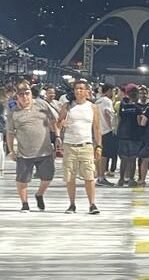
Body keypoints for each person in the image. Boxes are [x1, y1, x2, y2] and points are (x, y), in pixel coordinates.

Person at [7, 82, 59, 212]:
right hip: (25, 153)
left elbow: (53, 120)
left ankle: (39, 194)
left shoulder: (41, 104)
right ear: (17, 97)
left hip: (45, 150)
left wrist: (57, 136)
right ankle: (24, 203)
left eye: (27, 93)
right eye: (21, 94)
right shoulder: (14, 113)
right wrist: (11, 150)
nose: (25, 97)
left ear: (31, 94)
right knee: (22, 180)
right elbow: (10, 133)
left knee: (48, 177)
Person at [58, 80, 101, 214]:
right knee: (70, 177)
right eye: (76, 89)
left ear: (87, 91)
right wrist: (61, 126)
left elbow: (97, 128)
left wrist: (98, 146)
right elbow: (57, 124)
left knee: (89, 176)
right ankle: (72, 204)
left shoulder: (92, 107)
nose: (79, 91)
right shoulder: (68, 106)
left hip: (86, 145)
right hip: (70, 145)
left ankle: (92, 204)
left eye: (82, 89)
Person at [117, 84, 142, 187]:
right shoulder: (137, 108)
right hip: (134, 135)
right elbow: (139, 122)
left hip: (123, 134)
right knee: (132, 158)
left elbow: (119, 118)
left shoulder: (122, 106)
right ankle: (131, 179)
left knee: (123, 158)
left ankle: (121, 179)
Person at [95, 83, 117, 187]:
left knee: (100, 155)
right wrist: (111, 128)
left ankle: (99, 175)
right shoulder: (107, 101)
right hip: (106, 131)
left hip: (98, 131)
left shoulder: (97, 101)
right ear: (108, 91)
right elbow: (107, 114)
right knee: (104, 156)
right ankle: (101, 177)